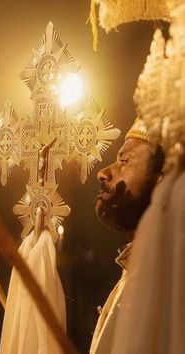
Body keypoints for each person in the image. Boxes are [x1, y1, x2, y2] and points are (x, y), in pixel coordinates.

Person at [90, 117, 165, 354]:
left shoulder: (169, 283)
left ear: (163, 183)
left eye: (124, 160)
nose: (103, 173)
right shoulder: (137, 273)